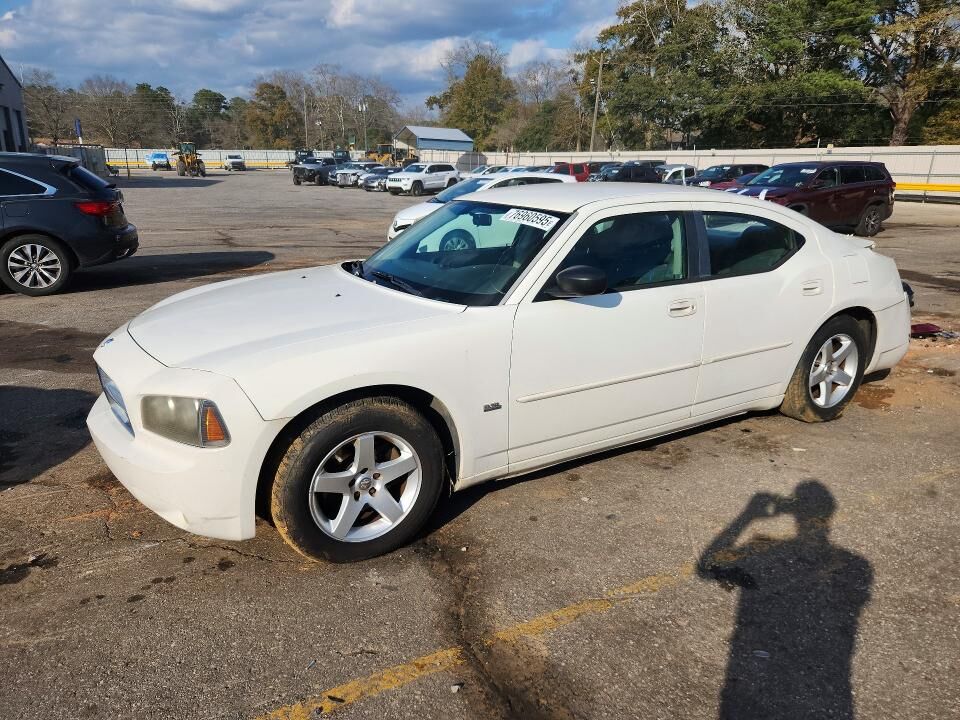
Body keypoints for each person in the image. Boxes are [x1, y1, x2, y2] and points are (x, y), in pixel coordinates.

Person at [698, 481, 872, 719]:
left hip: (761, 676)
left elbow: (707, 568)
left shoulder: (769, 550)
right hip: (825, 685)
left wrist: (747, 515)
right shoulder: (857, 565)